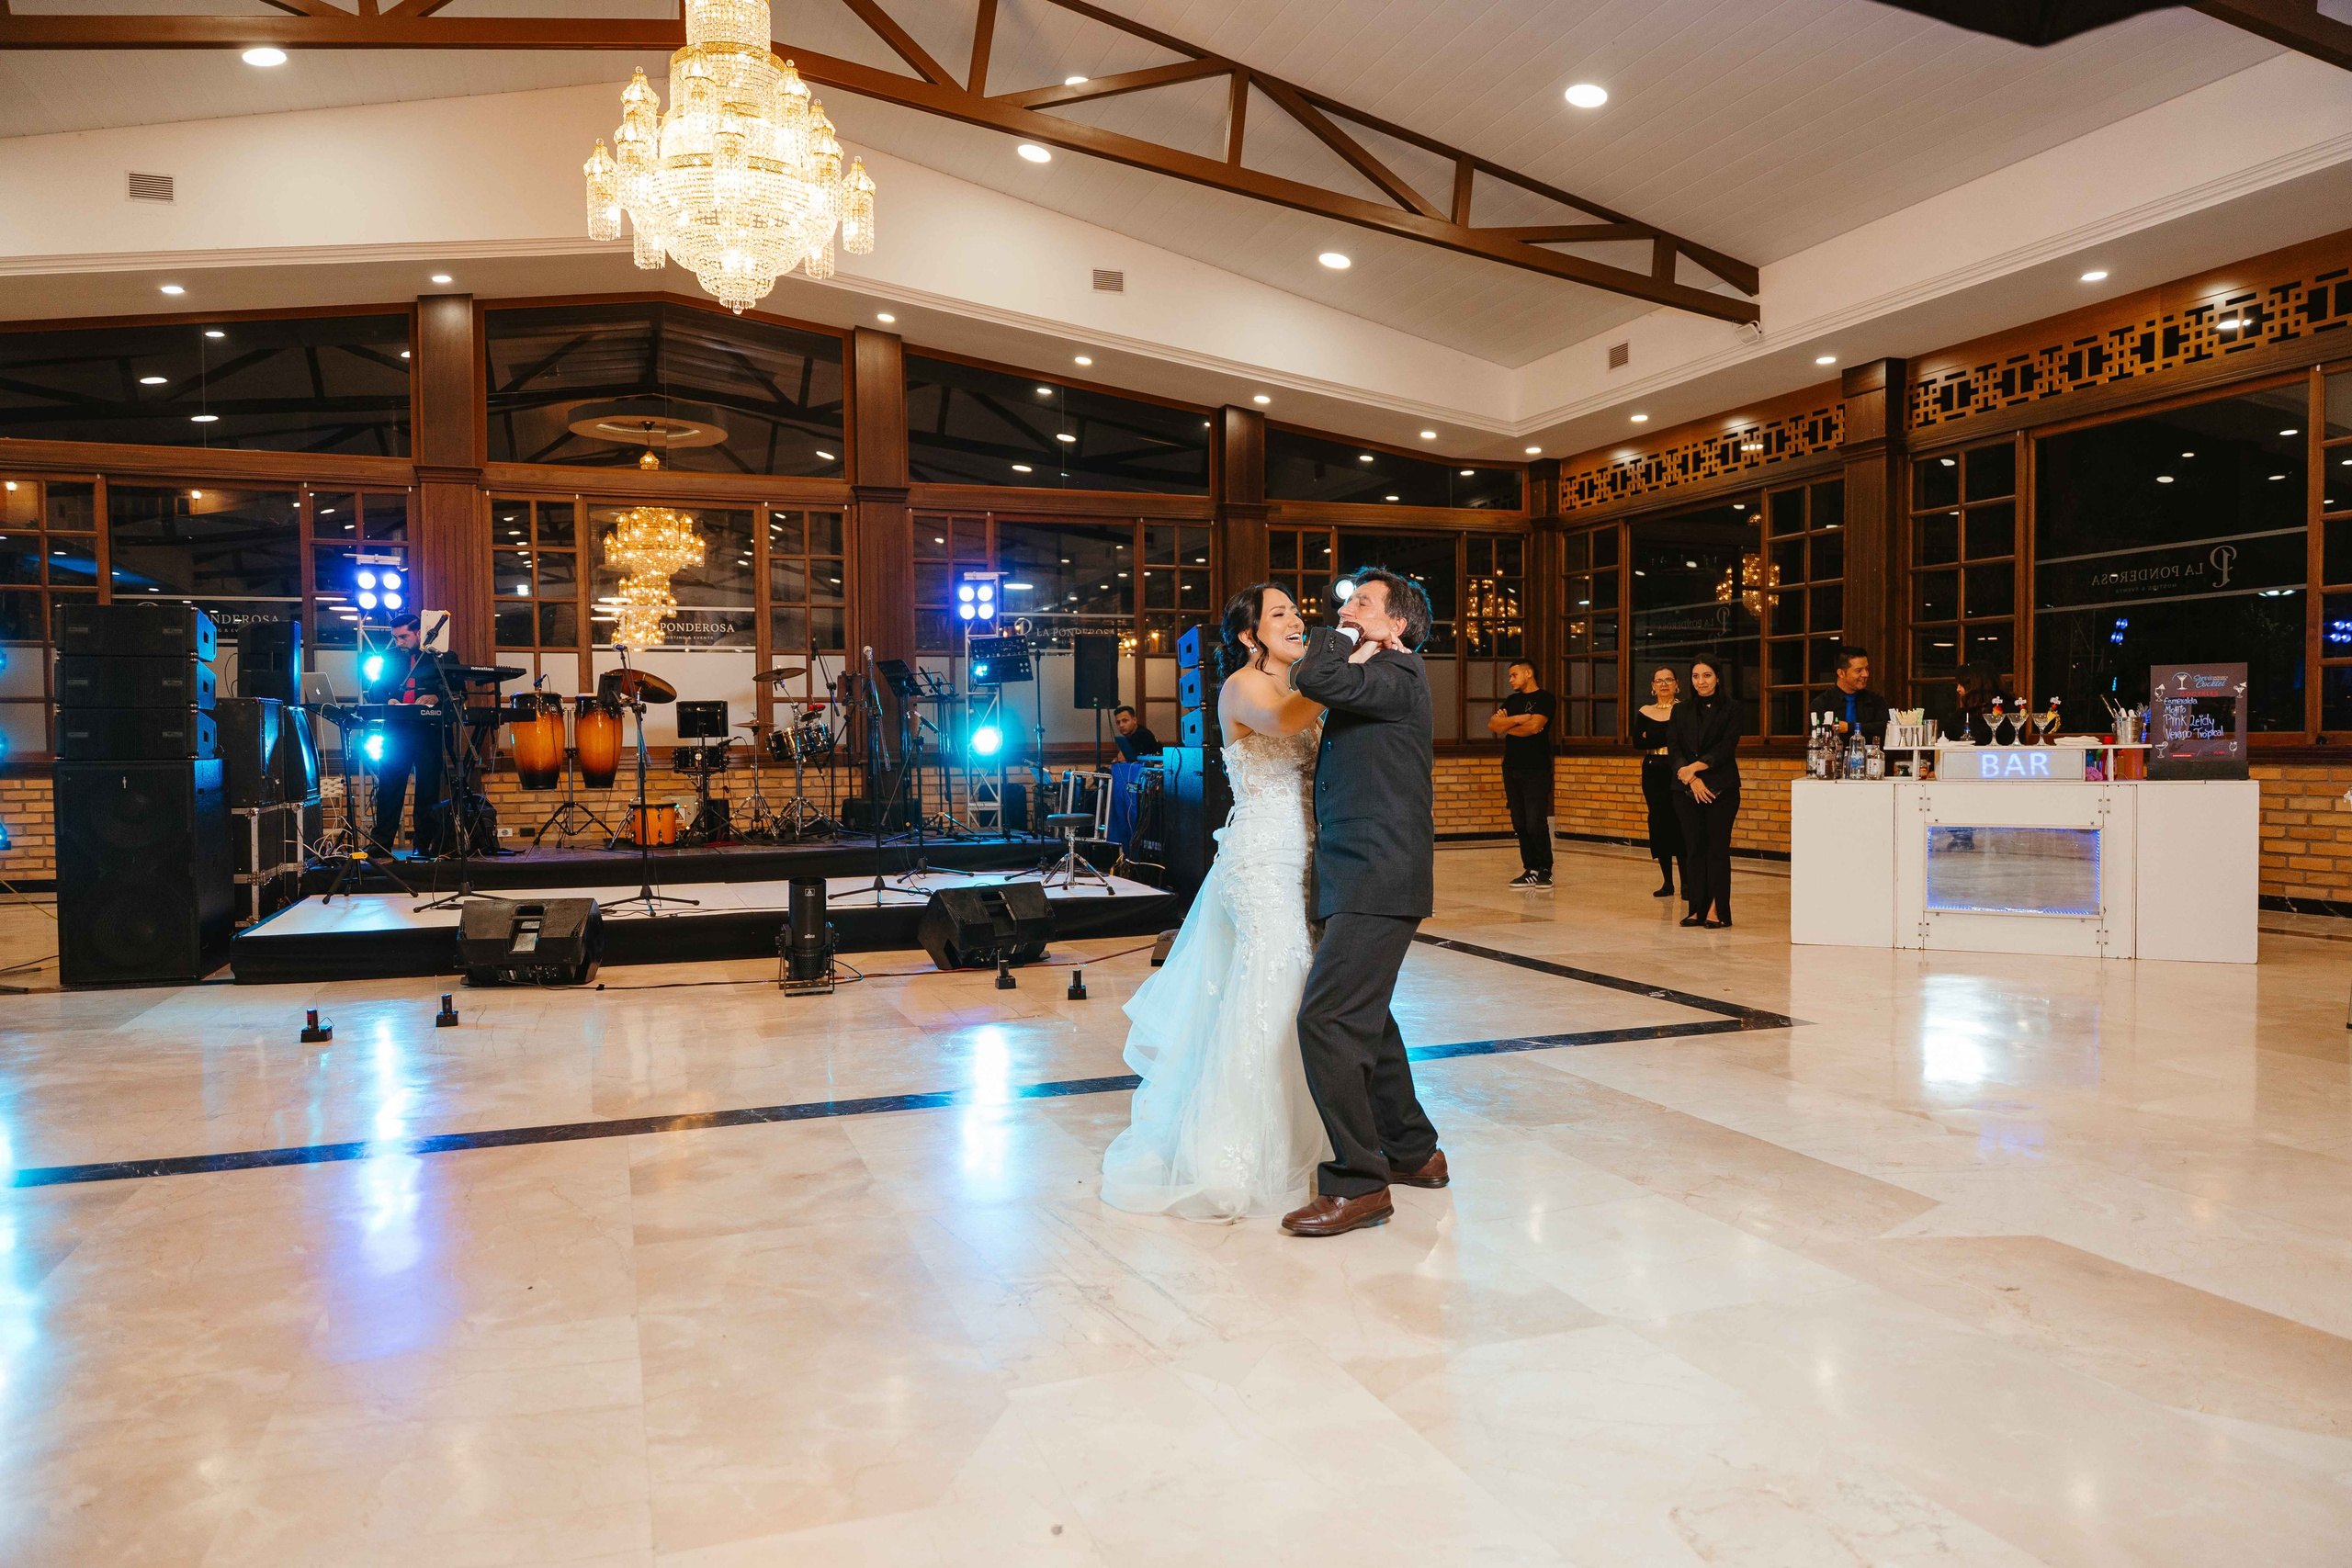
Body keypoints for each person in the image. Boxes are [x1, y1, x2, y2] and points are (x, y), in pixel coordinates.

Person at [1100, 584, 1329, 1222]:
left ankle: (1308, 1137)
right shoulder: (1243, 686)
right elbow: (1286, 725)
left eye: (1295, 610)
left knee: (1291, 987)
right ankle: (1237, 1153)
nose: (1296, 619)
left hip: (1303, 852)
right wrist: (1341, 669)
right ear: (1253, 635)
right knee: (1275, 985)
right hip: (1261, 856)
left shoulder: (1295, 685)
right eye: (1279, 613)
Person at [1281, 569, 1444, 1238]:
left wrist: (1343, 634)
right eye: (1347, 603)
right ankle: (1412, 1150)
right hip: (1359, 873)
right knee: (1368, 1021)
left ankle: (1360, 1182)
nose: (1347, 610)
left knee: (1326, 1020)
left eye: (1364, 604)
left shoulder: (1398, 673)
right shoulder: (1380, 682)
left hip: (1379, 875)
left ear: (1396, 625)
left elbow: (1314, 678)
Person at [361, 611, 449, 857]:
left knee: (428, 790)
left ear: (419, 633)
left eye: (403, 637)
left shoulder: (441, 657)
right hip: (396, 731)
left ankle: (424, 844)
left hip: (428, 732)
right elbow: (374, 691)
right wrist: (388, 699)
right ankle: (381, 844)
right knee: (389, 787)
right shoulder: (388, 657)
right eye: (396, 638)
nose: (398, 643)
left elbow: (456, 690)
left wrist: (436, 697)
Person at [1668, 655, 1744, 930]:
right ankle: (1697, 909)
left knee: (1717, 850)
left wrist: (1695, 769)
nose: (1701, 681)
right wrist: (1690, 779)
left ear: (1718, 677)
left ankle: (1717, 910)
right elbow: (1674, 748)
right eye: (1696, 676)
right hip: (1685, 789)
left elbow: (1727, 746)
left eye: (1707, 675)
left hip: (1722, 788)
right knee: (1694, 849)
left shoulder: (1733, 708)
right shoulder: (1680, 710)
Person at [1487, 659, 1555, 887]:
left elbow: (1534, 727)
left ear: (1529, 673)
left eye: (1514, 675)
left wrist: (1508, 725)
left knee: (1535, 821)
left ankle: (1545, 868)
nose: (1510, 680)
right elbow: (1493, 726)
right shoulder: (1512, 700)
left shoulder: (1545, 698)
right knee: (1519, 821)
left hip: (1537, 767)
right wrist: (1517, 720)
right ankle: (1531, 868)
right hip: (1512, 767)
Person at [1633, 667, 1684, 899]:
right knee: (1659, 821)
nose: (1664, 684)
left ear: (1677, 684)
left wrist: (1653, 737)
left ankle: (1688, 883)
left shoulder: (1684, 710)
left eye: (1668, 680)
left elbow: (1686, 742)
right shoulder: (1645, 711)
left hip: (1678, 769)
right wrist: (1667, 738)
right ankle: (1667, 882)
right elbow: (1637, 742)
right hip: (1653, 770)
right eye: (1659, 681)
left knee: (1682, 821)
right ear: (1652, 686)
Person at [1827, 646, 1890, 742]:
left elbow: (1885, 728)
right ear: (1841, 673)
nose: (1866, 674)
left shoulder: (1876, 701)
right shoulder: (1822, 703)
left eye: (1867, 669)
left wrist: (1849, 727)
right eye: (1859, 670)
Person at [1939, 662, 1999, 744]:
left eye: (1962, 684)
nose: (1958, 689)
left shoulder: (2003, 712)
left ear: (1977, 685)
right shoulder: (1959, 717)